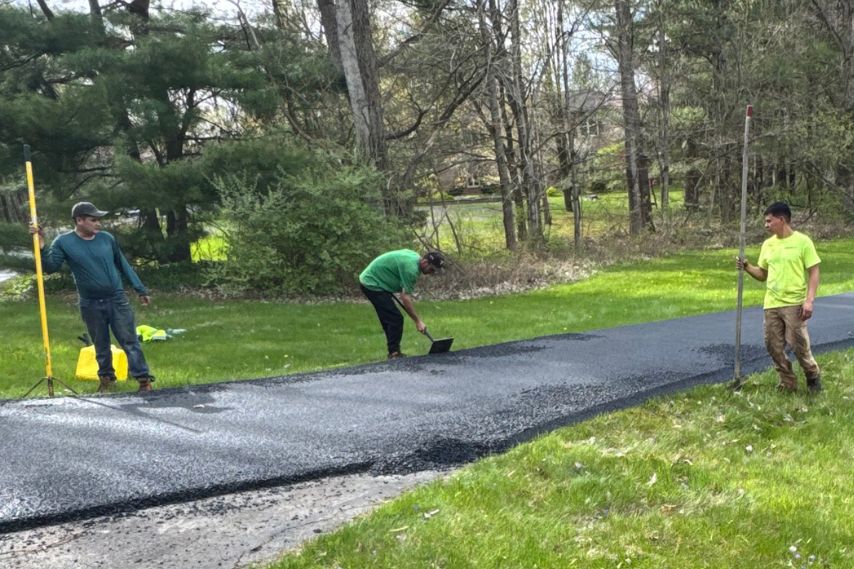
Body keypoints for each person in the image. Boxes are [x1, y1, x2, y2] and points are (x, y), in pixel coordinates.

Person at [30, 202, 156, 393]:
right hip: (90, 302)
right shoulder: (64, 242)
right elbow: (50, 267)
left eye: (99, 220)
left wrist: (140, 289)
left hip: (116, 298)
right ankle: (106, 379)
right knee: (100, 343)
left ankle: (143, 380)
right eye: (93, 220)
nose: (99, 224)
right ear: (79, 220)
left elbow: (123, 264)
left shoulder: (106, 239)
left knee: (129, 340)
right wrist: (40, 244)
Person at [737, 202, 822, 393]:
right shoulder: (768, 245)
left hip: (794, 303)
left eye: (769, 221)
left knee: (798, 345)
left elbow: (814, 271)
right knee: (773, 345)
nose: (766, 225)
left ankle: (812, 375)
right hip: (772, 303)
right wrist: (747, 267)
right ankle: (787, 382)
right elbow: (762, 274)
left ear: (781, 219)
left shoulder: (802, 242)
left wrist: (809, 301)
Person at [359, 249, 445, 359]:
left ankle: (393, 351)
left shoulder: (415, 258)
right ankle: (394, 354)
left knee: (389, 318)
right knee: (395, 318)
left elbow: (400, 277)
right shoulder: (411, 270)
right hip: (371, 283)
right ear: (424, 262)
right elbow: (405, 298)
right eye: (432, 270)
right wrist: (417, 321)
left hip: (379, 281)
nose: (431, 273)